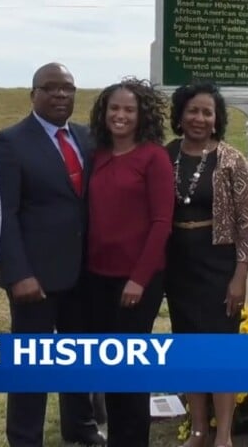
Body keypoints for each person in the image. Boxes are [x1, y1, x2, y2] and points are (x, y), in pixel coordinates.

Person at [0, 62, 107, 447]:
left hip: (83, 274)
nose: (60, 95)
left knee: (79, 357)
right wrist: (18, 272)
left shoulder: (89, 139)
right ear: (33, 94)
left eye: (68, 88)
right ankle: (25, 438)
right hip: (34, 277)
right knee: (31, 363)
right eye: (51, 88)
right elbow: (4, 214)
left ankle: (82, 428)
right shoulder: (9, 142)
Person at [164, 82, 248, 447]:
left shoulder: (231, 160)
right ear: (181, 115)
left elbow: (247, 222)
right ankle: (199, 429)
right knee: (187, 347)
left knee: (220, 350)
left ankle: (224, 435)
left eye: (207, 112)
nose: (199, 118)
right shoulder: (165, 155)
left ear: (216, 119)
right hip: (178, 265)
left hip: (219, 264)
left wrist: (240, 276)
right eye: (192, 110)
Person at [85, 78, 174, 447]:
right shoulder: (98, 154)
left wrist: (138, 279)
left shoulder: (154, 156)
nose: (120, 115)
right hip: (95, 278)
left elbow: (161, 223)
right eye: (114, 108)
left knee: (130, 368)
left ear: (142, 116)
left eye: (129, 110)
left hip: (137, 281)